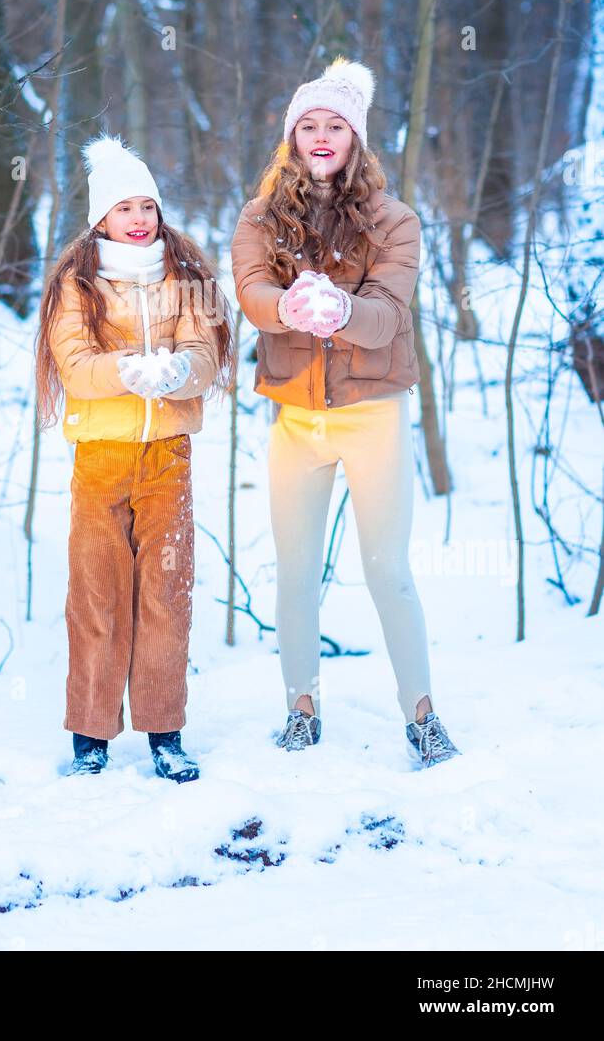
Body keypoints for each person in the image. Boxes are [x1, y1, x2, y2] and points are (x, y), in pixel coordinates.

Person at [230, 57, 461, 769]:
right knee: (294, 572)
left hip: (373, 416)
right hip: (295, 419)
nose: (322, 135)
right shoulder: (261, 215)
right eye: (309, 125)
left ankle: (420, 716)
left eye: (335, 125)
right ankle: (301, 709)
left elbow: (389, 316)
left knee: (387, 568)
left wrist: (340, 310)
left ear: (355, 139)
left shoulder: (395, 220)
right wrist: (283, 306)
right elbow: (249, 290)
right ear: (292, 137)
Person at [35, 134, 235, 781]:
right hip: (100, 460)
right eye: (125, 208)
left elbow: (204, 355)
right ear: (101, 217)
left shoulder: (186, 276)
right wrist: (129, 369)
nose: (140, 218)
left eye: (147, 206)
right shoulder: (77, 283)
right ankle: (89, 738)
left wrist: (176, 369)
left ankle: (164, 734)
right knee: (96, 595)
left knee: (166, 596)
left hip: (167, 461)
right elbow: (76, 365)